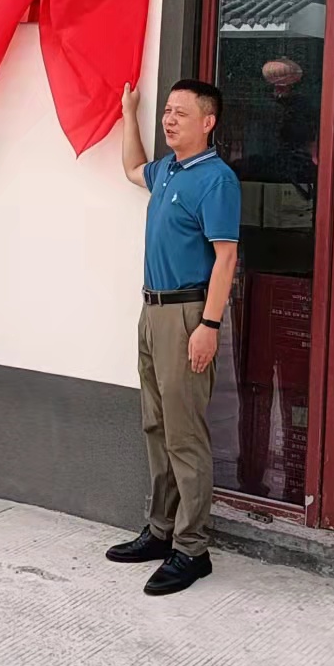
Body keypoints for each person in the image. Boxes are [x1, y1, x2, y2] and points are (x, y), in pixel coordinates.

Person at [107, 78, 240, 596]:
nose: (169, 119)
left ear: (208, 122)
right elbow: (131, 168)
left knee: (185, 434)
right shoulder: (167, 171)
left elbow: (226, 258)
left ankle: (192, 548)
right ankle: (161, 530)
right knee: (156, 425)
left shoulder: (217, 180)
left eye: (181, 113)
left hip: (188, 314)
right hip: (152, 310)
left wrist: (209, 325)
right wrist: (128, 114)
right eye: (166, 111)